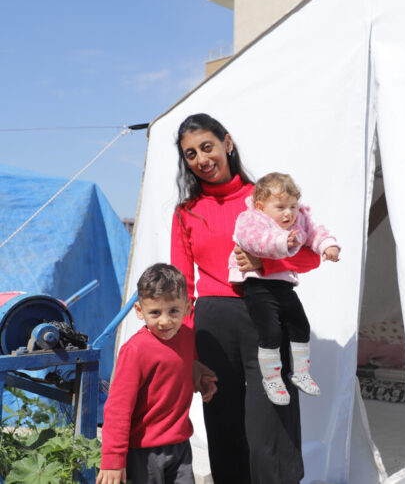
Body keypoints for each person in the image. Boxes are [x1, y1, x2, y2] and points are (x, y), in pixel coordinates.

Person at [171, 113, 320, 484]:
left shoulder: (266, 199)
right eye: (190, 154)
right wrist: (188, 355)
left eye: (207, 147)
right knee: (223, 428)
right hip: (212, 325)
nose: (201, 159)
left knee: (272, 424)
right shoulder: (186, 213)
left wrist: (264, 264)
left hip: (265, 315)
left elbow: (311, 256)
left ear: (227, 143)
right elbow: (181, 290)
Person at [97, 263, 217, 484]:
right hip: (143, 452)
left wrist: (200, 380)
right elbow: (117, 409)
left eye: (173, 311)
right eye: (155, 312)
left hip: (180, 445)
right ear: (139, 311)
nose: (165, 321)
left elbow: (178, 368)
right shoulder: (135, 351)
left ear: (188, 307)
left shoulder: (188, 337)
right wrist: (113, 460)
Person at [228, 172, 340, 406]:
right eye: (280, 207)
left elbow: (315, 231)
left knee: (300, 324)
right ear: (261, 206)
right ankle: (271, 378)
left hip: (284, 285)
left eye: (292, 206)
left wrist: (327, 246)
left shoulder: (298, 219)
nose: (288, 213)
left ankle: (301, 372)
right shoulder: (250, 219)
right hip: (257, 285)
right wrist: (281, 243)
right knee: (270, 332)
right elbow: (252, 241)